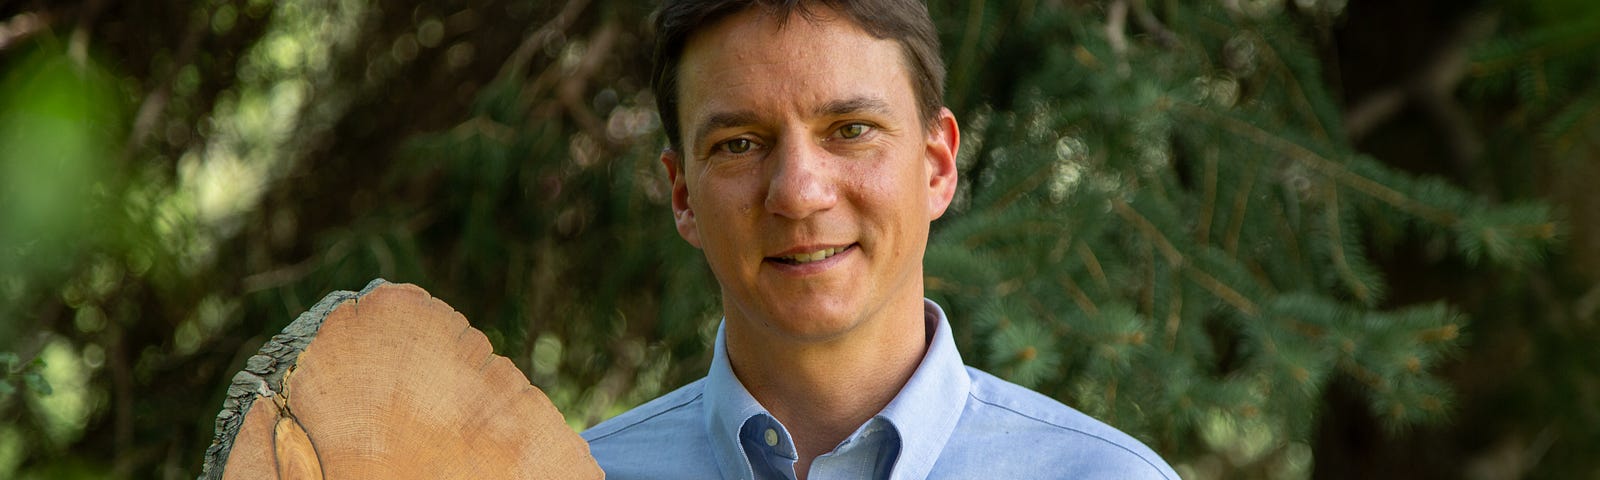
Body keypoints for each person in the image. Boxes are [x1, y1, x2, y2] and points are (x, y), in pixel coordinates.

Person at [580, 1, 1179, 478]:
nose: (798, 192)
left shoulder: (1104, 474)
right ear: (683, 195)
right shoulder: (575, 474)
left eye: (851, 130)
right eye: (738, 143)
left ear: (938, 167)